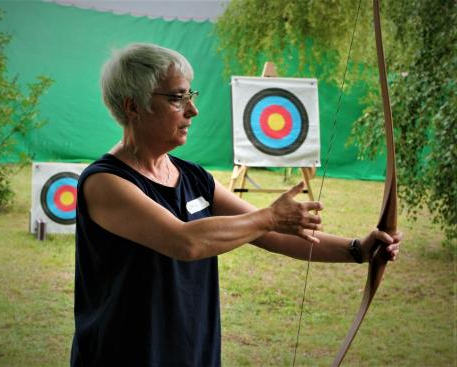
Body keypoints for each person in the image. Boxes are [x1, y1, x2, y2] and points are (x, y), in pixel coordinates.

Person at [70, 43, 402, 367]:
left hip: (192, 350)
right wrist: (270, 217)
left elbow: (270, 234)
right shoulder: (105, 182)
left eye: (191, 96)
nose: (192, 110)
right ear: (132, 107)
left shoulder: (194, 177)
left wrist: (358, 249)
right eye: (176, 99)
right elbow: (186, 241)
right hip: (123, 353)